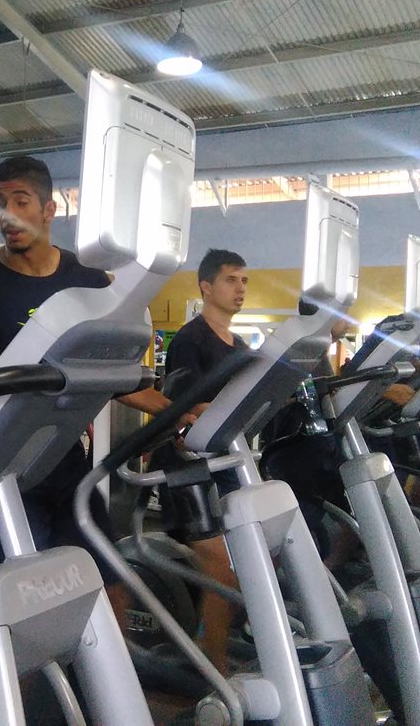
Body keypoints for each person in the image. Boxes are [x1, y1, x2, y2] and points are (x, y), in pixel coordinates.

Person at [0, 154, 188, 623]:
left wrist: (174, 413)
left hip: (63, 458)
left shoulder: (87, 281)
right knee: (13, 606)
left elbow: (108, 375)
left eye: (20, 201)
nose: (7, 215)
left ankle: (105, 693)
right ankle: (8, 693)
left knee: (108, 585)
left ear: (49, 209)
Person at [150, 248, 252, 674]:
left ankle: (213, 635)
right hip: (185, 466)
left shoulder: (242, 344)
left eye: (244, 280)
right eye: (231, 280)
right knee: (220, 566)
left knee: (256, 555)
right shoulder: (192, 339)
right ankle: (212, 661)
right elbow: (187, 406)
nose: (240, 288)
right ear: (206, 286)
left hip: (224, 462)